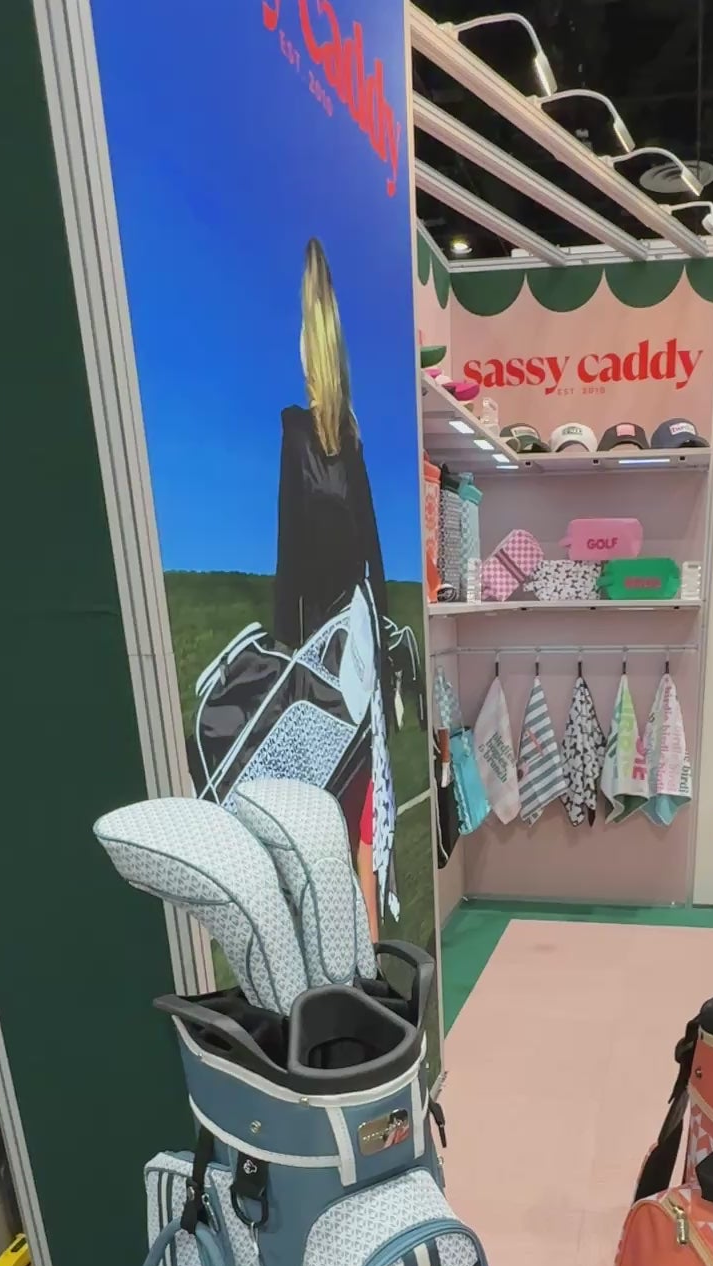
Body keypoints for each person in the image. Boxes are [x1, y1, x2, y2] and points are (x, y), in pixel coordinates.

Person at [273, 238, 392, 939]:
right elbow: (367, 547)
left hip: (334, 646)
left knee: (345, 809)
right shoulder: (337, 434)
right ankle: (362, 954)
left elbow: (292, 547)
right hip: (349, 641)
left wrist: (285, 651)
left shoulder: (316, 433)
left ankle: (357, 952)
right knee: (353, 814)